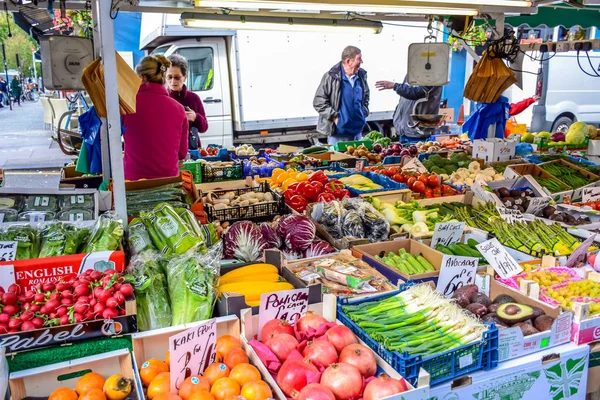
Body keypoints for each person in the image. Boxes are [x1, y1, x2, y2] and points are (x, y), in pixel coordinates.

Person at [123, 55, 189, 181]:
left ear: (141, 77)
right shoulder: (179, 109)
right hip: (168, 182)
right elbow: (181, 153)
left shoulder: (127, 105)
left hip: (133, 181)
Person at [313, 46, 370, 145]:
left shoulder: (361, 76)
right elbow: (318, 102)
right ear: (348, 61)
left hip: (357, 133)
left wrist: (363, 112)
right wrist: (334, 117)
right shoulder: (331, 77)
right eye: (359, 59)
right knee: (340, 160)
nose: (362, 61)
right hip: (338, 135)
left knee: (358, 159)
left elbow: (366, 97)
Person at [375, 76, 443, 140]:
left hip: (419, 133)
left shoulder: (434, 74)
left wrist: (395, 86)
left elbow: (418, 92)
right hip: (405, 131)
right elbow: (405, 96)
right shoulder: (412, 72)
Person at [166, 54, 209, 149]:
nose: (173, 81)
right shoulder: (163, 99)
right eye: (169, 77)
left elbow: (204, 127)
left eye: (177, 77)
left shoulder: (193, 98)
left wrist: (195, 117)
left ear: (185, 77)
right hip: (170, 150)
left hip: (192, 149)